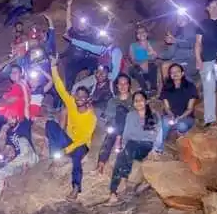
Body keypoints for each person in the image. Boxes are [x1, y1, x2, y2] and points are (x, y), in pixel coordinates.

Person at [46, 55, 97, 200]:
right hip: (68, 139)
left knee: (76, 161)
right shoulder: (71, 103)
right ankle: (54, 156)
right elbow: (60, 87)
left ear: (87, 99)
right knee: (50, 124)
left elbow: (84, 139)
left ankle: (75, 188)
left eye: (83, 97)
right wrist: (54, 67)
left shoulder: (91, 117)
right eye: (77, 96)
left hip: (80, 145)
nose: (79, 99)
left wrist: (66, 150)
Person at [108, 91, 161, 203]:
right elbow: (126, 134)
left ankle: (123, 179)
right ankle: (113, 192)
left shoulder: (154, 115)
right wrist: (122, 147)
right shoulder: (131, 115)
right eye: (136, 101)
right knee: (121, 156)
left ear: (146, 101)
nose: (139, 103)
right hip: (132, 148)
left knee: (130, 147)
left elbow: (158, 134)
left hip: (146, 146)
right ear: (133, 103)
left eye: (141, 100)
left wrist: (155, 149)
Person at [0, 114, 37, 206]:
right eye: (8, 118)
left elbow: (28, 112)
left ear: (17, 117)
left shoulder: (23, 125)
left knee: (23, 140)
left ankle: (24, 160)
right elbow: (2, 148)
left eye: (12, 117)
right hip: (18, 163)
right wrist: (3, 130)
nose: (10, 120)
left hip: (30, 157)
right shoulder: (9, 134)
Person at [0, 65, 31, 152]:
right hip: (12, 113)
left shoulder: (19, 85)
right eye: (11, 73)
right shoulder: (20, 85)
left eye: (15, 72)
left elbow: (11, 100)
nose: (12, 74)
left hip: (13, 116)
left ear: (21, 74)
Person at [155, 63, 199, 154]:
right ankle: (159, 148)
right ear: (170, 75)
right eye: (172, 72)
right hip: (171, 116)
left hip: (187, 117)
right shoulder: (166, 88)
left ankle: (181, 141)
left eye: (177, 71)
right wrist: (171, 115)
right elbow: (167, 107)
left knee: (181, 126)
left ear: (182, 73)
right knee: (165, 121)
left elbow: (190, 108)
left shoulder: (190, 87)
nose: (175, 74)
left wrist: (180, 117)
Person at [62, 0, 102, 89]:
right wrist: (69, 6)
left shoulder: (90, 37)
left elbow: (100, 39)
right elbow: (68, 21)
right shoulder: (73, 33)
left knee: (95, 62)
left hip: (84, 60)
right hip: (72, 60)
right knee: (69, 78)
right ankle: (69, 90)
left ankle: (93, 85)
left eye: (84, 24)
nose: (81, 25)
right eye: (80, 23)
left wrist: (110, 21)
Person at [96, 73, 132, 174]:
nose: (123, 86)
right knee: (110, 134)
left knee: (121, 110)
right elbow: (109, 117)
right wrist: (109, 125)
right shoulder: (112, 101)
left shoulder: (134, 99)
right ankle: (101, 164)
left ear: (129, 85)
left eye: (125, 83)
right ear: (117, 86)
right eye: (120, 84)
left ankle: (119, 139)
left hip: (130, 128)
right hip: (117, 128)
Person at [160, 12, 198, 80]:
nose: (180, 20)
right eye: (178, 19)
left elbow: (190, 43)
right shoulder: (178, 35)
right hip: (180, 61)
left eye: (182, 17)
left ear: (188, 19)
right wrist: (157, 54)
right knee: (165, 66)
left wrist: (174, 40)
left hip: (190, 62)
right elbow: (170, 54)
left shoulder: (190, 27)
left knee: (166, 66)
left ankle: (167, 89)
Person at [128, 25, 159, 96]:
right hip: (137, 69)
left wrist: (149, 52)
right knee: (134, 69)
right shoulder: (133, 45)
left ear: (147, 33)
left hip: (149, 70)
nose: (141, 33)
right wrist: (140, 64)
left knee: (153, 66)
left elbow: (155, 57)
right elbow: (132, 60)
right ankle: (145, 89)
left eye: (143, 31)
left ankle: (154, 89)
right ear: (137, 36)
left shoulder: (152, 44)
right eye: (139, 32)